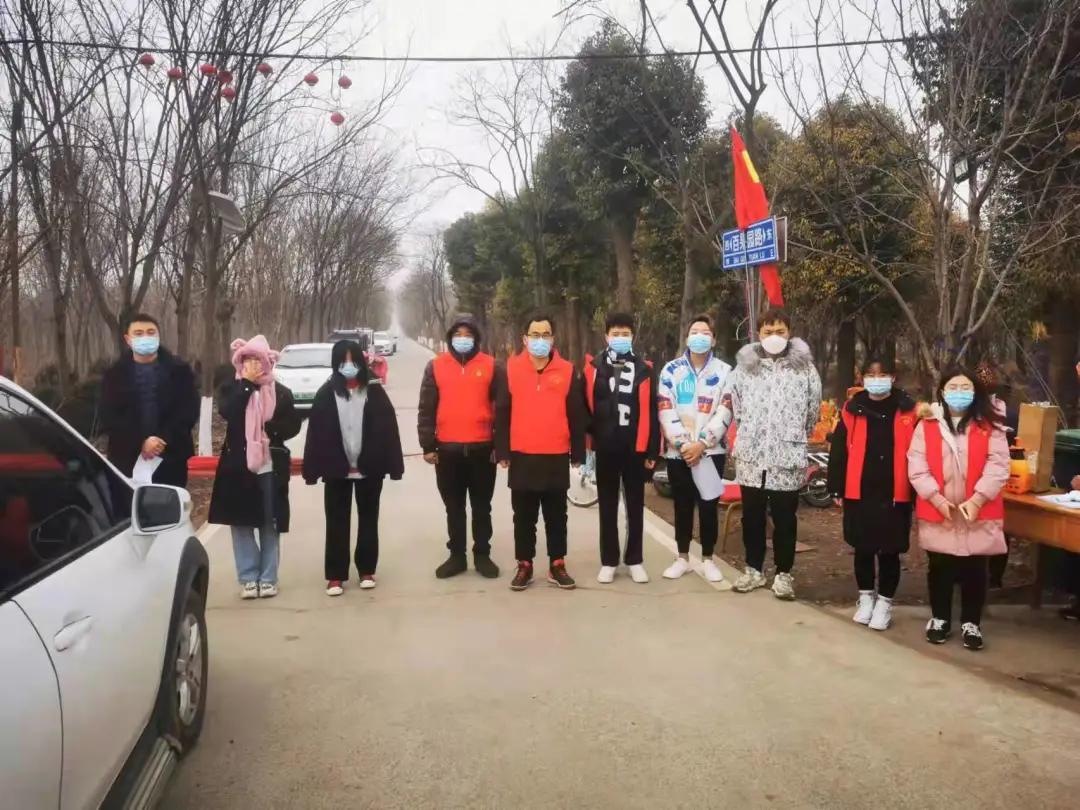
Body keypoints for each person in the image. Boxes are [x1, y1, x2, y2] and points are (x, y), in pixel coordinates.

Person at [908, 366, 1009, 650]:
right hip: (940, 509)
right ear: (942, 392)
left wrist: (978, 499)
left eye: (966, 387)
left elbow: (999, 465)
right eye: (953, 387)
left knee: (975, 568)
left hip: (978, 509)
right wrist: (937, 499)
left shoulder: (990, 425)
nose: (959, 393)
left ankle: (971, 623)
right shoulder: (927, 424)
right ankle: (940, 619)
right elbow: (916, 466)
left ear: (976, 392)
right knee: (940, 566)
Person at [725, 307, 822, 600]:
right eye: (768, 331)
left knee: (785, 519)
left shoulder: (805, 369)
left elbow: (813, 410)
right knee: (752, 517)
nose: (774, 336)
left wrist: (792, 436)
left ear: (789, 333)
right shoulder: (744, 368)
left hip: (787, 456)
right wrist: (752, 434)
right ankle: (753, 570)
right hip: (752, 455)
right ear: (759, 334)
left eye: (780, 331)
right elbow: (737, 408)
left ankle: (783, 574)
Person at [303, 340, 403, 596]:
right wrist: (312, 470)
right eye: (343, 361)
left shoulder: (373, 390)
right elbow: (315, 434)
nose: (348, 366)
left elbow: (389, 430)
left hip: (369, 468)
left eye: (353, 360)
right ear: (336, 364)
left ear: (360, 361)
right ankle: (335, 575)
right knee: (336, 522)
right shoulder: (326, 393)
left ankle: (367, 570)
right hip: (337, 469)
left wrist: (394, 466)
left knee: (369, 519)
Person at [494, 313, 586, 592]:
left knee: (557, 515)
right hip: (522, 454)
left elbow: (576, 414)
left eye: (546, 335)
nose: (540, 340)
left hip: (555, 454)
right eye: (535, 335)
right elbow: (502, 412)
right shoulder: (510, 369)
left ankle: (557, 563)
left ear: (553, 338)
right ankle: (525, 564)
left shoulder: (567, 370)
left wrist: (578, 452)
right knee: (523, 516)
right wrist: (502, 450)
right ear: (525, 339)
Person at [827, 358, 917, 630]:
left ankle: (885, 603)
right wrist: (836, 486)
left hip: (895, 492)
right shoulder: (852, 409)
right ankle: (865, 598)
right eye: (870, 374)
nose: (876, 379)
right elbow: (839, 449)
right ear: (862, 378)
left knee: (889, 550)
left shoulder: (909, 410)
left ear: (893, 377)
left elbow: (919, 452)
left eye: (882, 374)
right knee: (863, 547)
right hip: (860, 490)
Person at [208, 336, 301, 599]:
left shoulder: (280, 391)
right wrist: (247, 385)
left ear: (267, 362)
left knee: (270, 521)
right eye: (247, 360)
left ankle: (268, 577)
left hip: (270, 466)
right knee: (240, 522)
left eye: (257, 360)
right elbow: (229, 412)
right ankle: (248, 577)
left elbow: (293, 425)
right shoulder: (232, 388)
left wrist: (270, 430)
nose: (252, 365)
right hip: (238, 466)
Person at [417, 315, 501, 580]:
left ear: (476, 338)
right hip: (447, 451)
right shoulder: (436, 366)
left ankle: (482, 554)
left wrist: (500, 446)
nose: (463, 339)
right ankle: (457, 556)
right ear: (450, 337)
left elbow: (502, 409)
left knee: (482, 507)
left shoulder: (491, 366)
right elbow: (426, 408)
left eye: (468, 335)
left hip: (482, 450)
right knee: (453, 507)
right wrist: (428, 445)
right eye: (458, 334)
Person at [583, 312, 661, 584]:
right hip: (605, 448)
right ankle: (609, 561)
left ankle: (635, 559)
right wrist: (588, 441)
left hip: (634, 449)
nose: (620, 338)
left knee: (635, 506)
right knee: (607, 506)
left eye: (625, 334)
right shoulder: (593, 367)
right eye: (615, 333)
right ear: (606, 336)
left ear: (632, 337)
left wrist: (652, 450)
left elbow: (652, 411)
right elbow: (585, 407)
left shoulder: (644, 369)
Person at [656, 314, 733, 583]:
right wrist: (683, 444)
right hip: (679, 453)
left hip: (711, 452)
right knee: (682, 505)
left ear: (713, 339)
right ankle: (682, 558)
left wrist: (703, 443)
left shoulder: (725, 372)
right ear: (687, 337)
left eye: (705, 332)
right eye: (694, 331)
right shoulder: (671, 370)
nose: (699, 336)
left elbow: (726, 409)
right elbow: (665, 408)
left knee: (709, 506)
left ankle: (708, 559)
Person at [100, 312, 199, 488]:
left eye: (151, 332)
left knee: (168, 503)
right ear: (128, 339)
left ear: (158, 336)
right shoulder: (114, 375)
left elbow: (188, 411)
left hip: (171, 457)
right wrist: (140, 442)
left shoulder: (180, 371)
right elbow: (109, 416)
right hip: (127, 459)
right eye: (138, 333)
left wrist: (161, 440)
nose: (145, 337)